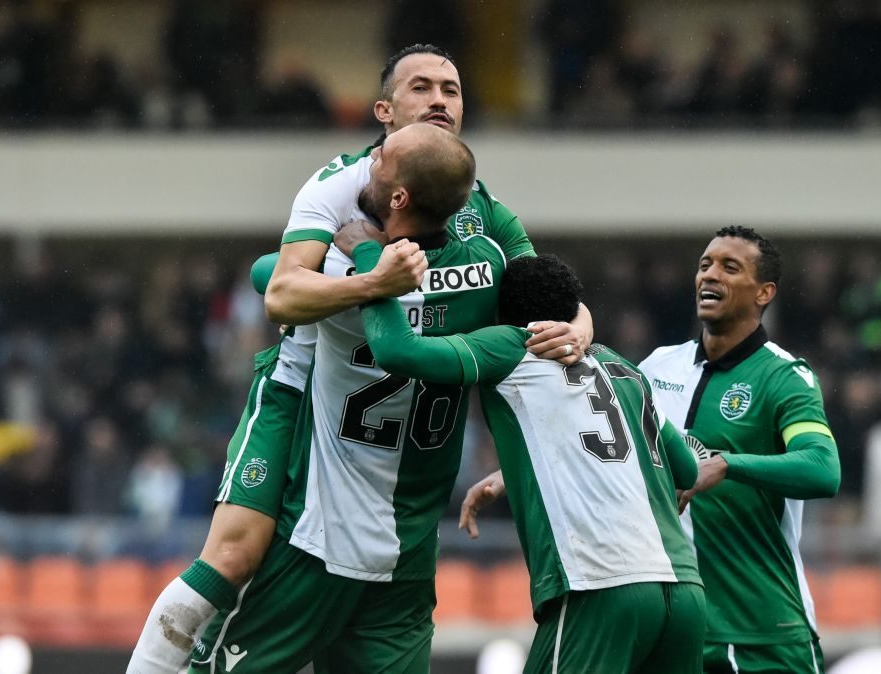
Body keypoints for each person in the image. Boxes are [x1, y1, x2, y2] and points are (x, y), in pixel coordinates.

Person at [129, 43, 592, 673]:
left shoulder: (476, 209)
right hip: (301, 391)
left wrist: (580, 326)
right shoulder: (340, 185)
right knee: (233, 556)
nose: (438, 100)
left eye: (451, 90)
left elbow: (550, 296)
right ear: (384, 110)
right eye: (422, 87)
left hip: (403, 463)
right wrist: (371, 285)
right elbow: (282, 290)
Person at [187, 122, 508, 672]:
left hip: (320, 542)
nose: (371, 161)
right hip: (408, 555)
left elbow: (269, 276)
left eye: (382, 160)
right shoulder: (488, 268)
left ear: (399, 197)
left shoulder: (339, 271)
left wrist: (363, 257)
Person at [343, 238, 705, 673]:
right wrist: (510, 473)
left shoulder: (513, 345)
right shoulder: (622, 368)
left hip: (601, 584)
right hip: (684, 591)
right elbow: (685, 469)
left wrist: (370, 263)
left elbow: (397, 350)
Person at [638, 226, 840, 674]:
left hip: (763, 633)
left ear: (764, 292)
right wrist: (510, 478)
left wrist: (727, 464)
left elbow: (823, 470)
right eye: (705, 264)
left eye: (731, 268)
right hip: (677, 628)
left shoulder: (786, 377)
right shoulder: (656, 367)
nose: (710, 276)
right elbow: (609, 444)